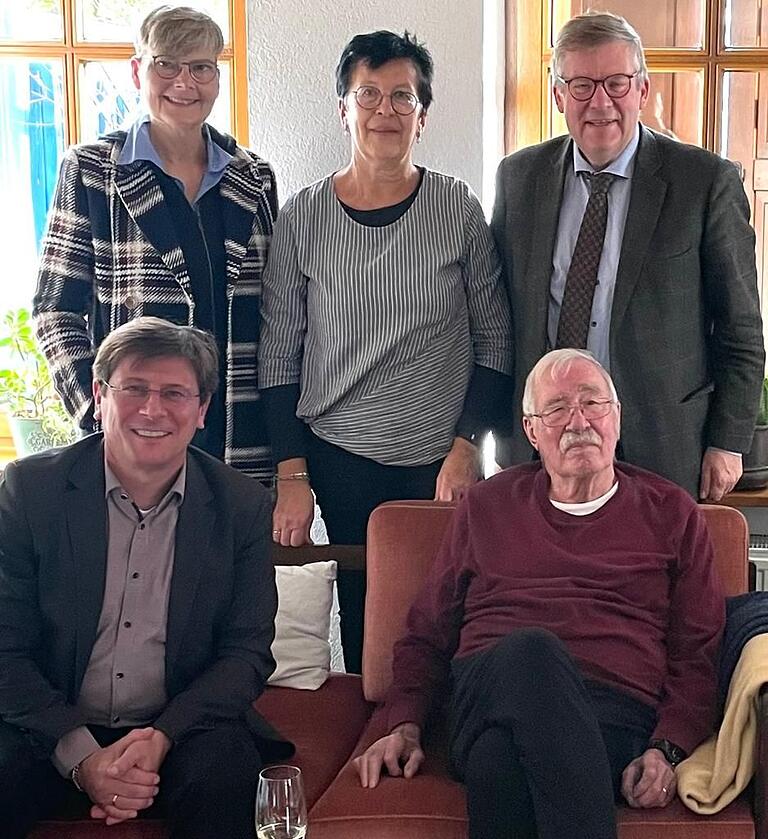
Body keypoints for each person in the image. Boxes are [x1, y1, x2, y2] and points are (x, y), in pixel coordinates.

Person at [355, 348, 725, 839]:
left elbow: (697, 652)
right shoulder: (487, 505)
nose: (578, 421)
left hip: (613, 713)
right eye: (556, 409)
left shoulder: (671, 512)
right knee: (534, 651)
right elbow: (427, 633)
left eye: (592, 403)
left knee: (496, 766)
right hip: (488, 687)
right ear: (531, 431)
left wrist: (666, 747)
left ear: (617, 417)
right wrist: (404, 722)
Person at [258, 30, 513, 672]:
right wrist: (293, 476)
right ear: (344, 109)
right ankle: (375, 734)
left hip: (437, 463)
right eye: (367, 94)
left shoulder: (458, 209)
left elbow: (496, 340)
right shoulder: (303, 218)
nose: (385, 111)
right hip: (337, 457)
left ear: (423, 116)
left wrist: (464, 451)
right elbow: (279, 355)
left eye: (403, 97)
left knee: (443, 612)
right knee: (361, 614)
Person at [0, 317, 284, 839]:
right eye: (134, 388)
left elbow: (246, 653)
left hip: (181, 725)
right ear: (99, 395)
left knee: (228, 782)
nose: (152, 410)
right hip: (45, 722)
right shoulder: (30, 491)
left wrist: (161, 739)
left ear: (201, 412)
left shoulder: (240, 505)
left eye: (174, 393)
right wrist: (84, 758)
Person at [491, 11, 764, 502]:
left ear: (642, 89)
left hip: (661, 443)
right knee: (544, 577)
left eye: (616, 83)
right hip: (542, 447)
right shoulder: (519, 178)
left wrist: (728, 441)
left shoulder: (704, 183)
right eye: (581, 86)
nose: (600, 102)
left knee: (652, 578)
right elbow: (497, 319)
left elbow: (740, 329)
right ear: (558, 96)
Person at [33, 5, 278, 481]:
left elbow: (276, 311)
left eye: (201, 67)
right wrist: (98, 410)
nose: (184, 84)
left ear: (217, 76)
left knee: (229, 555)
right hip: (136, 433)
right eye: (166, 64)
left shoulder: (253, 176)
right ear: (136, 71)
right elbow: (54, 310)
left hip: (239, 433)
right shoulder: (92, 171)